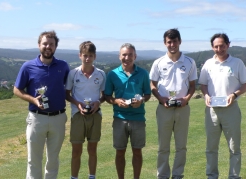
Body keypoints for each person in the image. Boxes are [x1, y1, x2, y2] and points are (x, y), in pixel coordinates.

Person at [13, 30, 69, 179]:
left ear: (55, 47)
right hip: (37, 118)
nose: (48, 47)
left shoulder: (63, 66)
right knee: (33, 160)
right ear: (39, 45)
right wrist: (33, 100)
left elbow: (69, 88)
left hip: (58, 118)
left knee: (53, 161)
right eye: (45, 43)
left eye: (51, 44)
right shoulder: (28, 66)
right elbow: (16, 90)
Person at [198, 33, 246, 179]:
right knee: (211, 148)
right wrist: (206, 95)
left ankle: (234, 176)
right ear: (212, 47)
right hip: (212, 111)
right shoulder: (208, 64)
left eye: (222, 45)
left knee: (234, 147)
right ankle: (212, 176)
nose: (219, 49)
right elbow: (203, 84)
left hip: (231, 110)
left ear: (228, 45)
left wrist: (234, 95)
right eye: (216, 46)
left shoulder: (237, 63)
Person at [149, 28, 197, 179]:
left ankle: (177, 175)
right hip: (164, 108)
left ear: (180, 41)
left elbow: (192, 86)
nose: (172, 45)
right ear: (165, 43)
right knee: (163, 146)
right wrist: (160, 98)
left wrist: (187, 99)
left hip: (183, 109)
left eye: (175, 41)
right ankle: (162, 176)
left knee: (181, 146)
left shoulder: (190, 62)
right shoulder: (158, 62)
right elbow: (152, 85)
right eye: (169, 42)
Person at [104, 43, 151, 179]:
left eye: (130, 54)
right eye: (124, 54)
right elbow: (107, 96)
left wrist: (141, 100)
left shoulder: (143, 73)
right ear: (119, 56)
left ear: (135, 56)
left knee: (137, 152)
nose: (127, 57)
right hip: (119, 118)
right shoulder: (112, 74)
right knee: (120, 152)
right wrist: (116, 101)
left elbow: (147, 94)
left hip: (138, 118)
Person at [65, 41, 106, 179]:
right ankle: (74, 177)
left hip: (95, 115)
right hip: (77, 115)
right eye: (84, 55)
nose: (87, 58)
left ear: (95, 56)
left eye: (90, 55)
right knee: (76, 151)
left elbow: (104, 95)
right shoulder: (73, 73)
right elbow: (67, 94)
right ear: (80, 56)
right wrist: (78, 104)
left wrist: (98, 103)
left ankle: (92, 176)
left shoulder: (100, 74)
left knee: (92, 150)